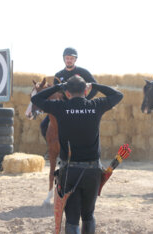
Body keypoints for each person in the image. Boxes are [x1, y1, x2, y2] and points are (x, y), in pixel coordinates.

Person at [32, 75, 123, 234]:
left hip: (69, 172)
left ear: (67, 93)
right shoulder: (96, 105)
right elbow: (118, 95)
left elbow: (36, 99)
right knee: (88, 216)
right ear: (86, 90)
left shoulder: (60, 107)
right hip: (92, 172)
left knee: (72, 220)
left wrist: (58, 87)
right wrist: (95, 85)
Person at [40, 47, 98, 142]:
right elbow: (55, 92)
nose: (69, 60)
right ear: (64, 59)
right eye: (67, 58)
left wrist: (86, 99)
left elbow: (95, 86)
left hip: (79, 105)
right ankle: (52, 148)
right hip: (63, 106)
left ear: (75, 59)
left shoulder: (83, 72)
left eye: (71, 58)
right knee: (43, 125)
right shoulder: (58, 75)